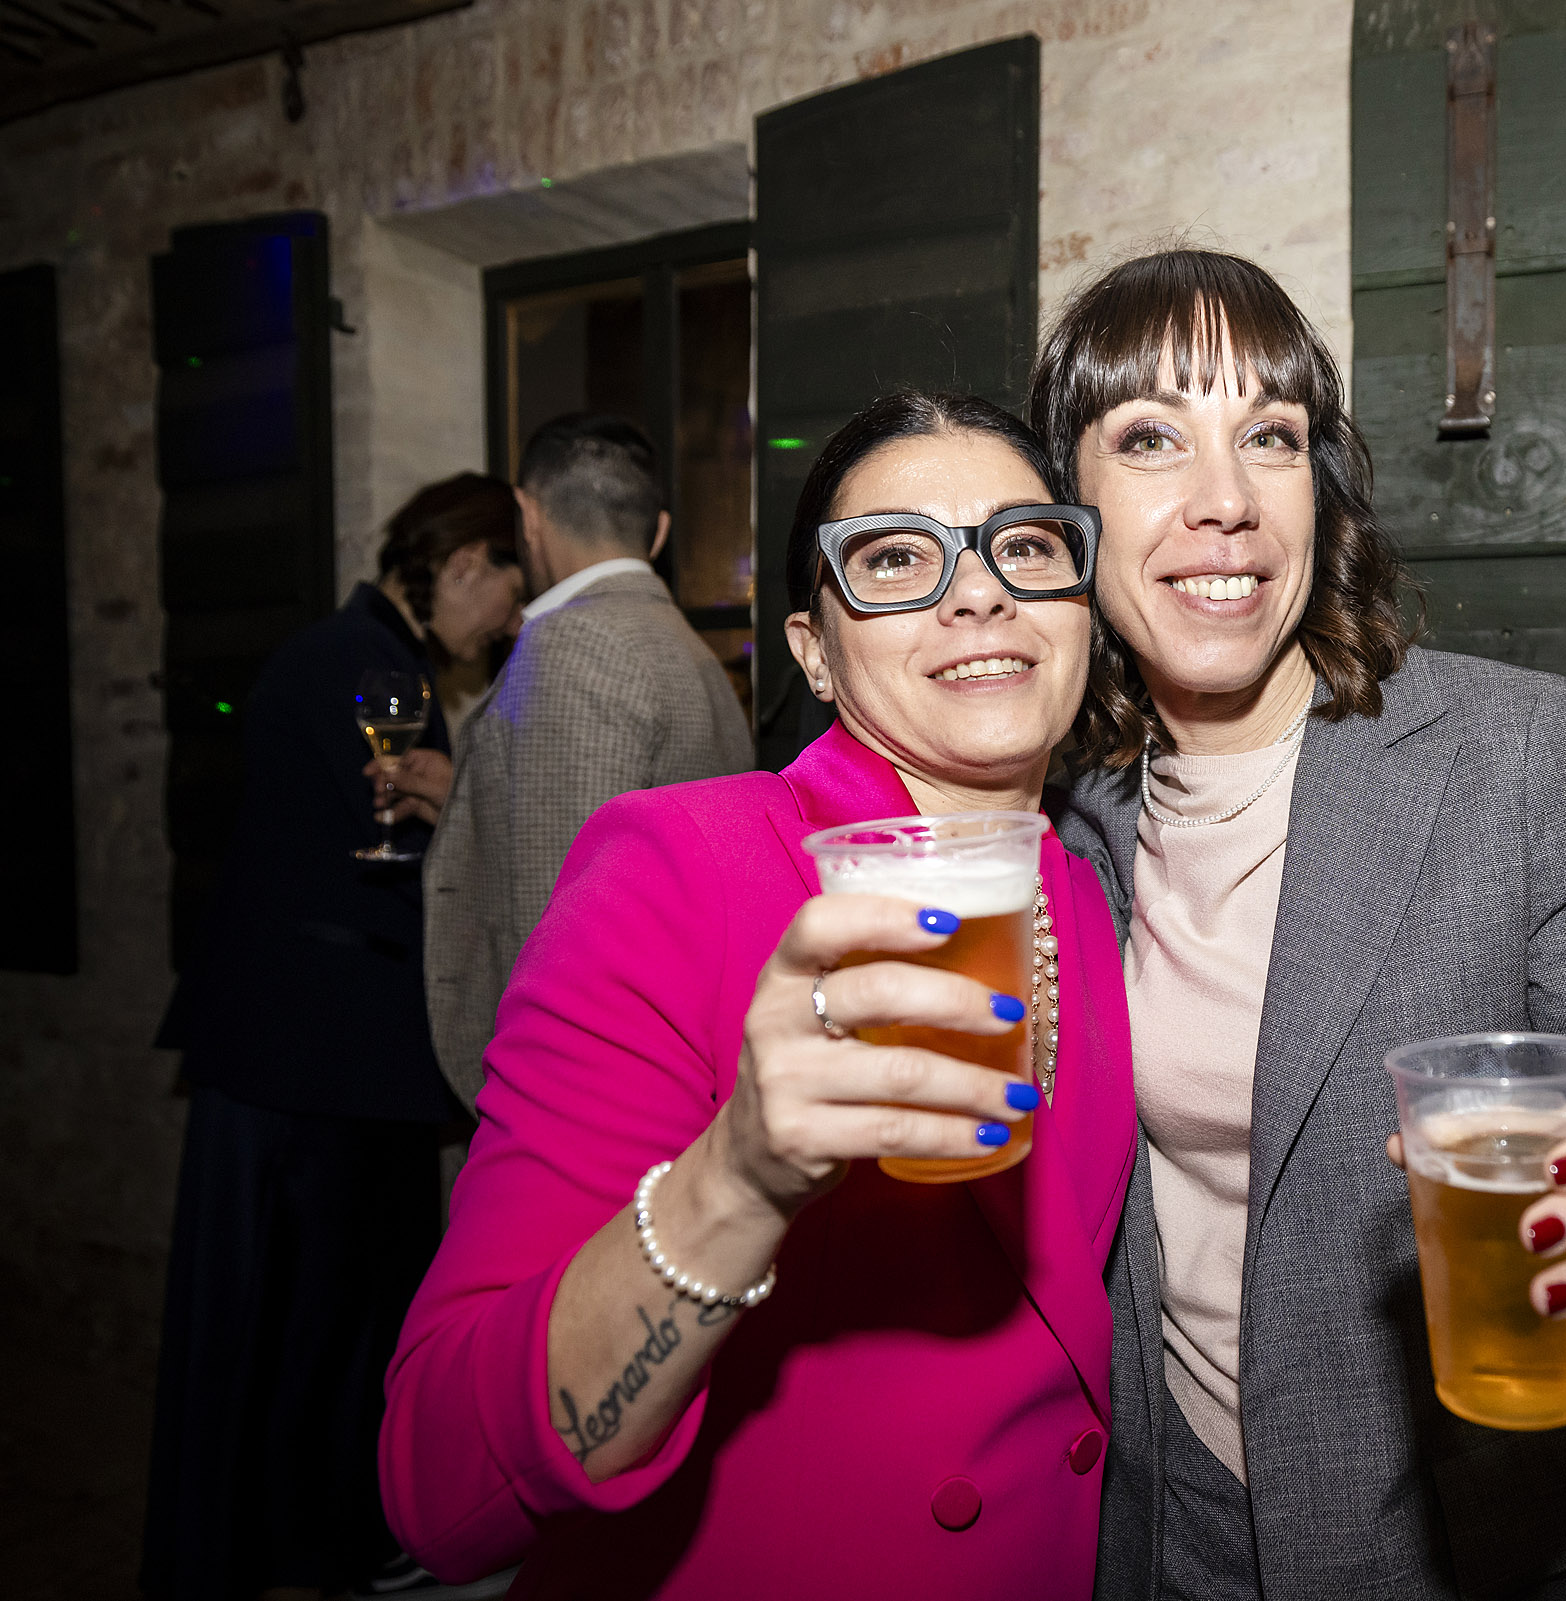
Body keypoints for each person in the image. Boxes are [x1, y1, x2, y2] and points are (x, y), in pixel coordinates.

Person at [1030, 249, 1566, 1599]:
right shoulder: (1067, 807)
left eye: (1272, 435)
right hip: (1172, 1536)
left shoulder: (1520, 753)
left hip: (1493, 1548)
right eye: (1151, 438)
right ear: (1066, 512)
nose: (1223, 501)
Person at [380, 393, 1138, 1599]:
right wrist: (734, 1179)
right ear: (813, 652)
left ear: (1082, 609)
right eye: (894, 558)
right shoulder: (678, 869)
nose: (978, 590)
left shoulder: (1094, 891)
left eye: (1027, 545)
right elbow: (441, 1478)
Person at [143, 474, 524, 1601]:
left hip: (290, 1054)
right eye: (504, 591)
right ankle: (331, 1542)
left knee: (272, 1325)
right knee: (331, 1324)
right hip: (325, 1061)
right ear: (462, 567)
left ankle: (277, 1543)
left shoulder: (338, 648)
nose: (507, 618)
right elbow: (385, 865)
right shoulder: (373, 667)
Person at [408, 413, 754, 1112]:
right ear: (656, 532)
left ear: (527, 516)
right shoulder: (690, 649)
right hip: (678, 1058)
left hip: (573, 1096)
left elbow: (554, 922)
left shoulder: (569, 648)